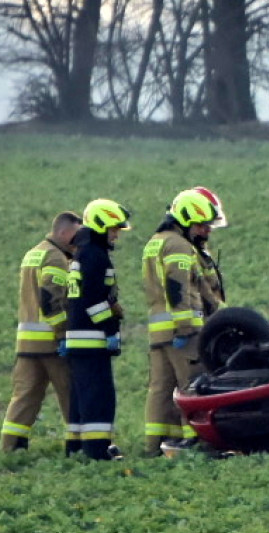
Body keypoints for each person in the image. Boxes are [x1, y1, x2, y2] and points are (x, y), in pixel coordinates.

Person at [141, 190, 225, 457]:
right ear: (186, 219)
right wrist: (187, 327)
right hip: (183, 331)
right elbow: (179, 288)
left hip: (159, 332)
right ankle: (197, 442)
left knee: (161, 390)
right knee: (192, 387)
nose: (206, 231)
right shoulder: (178, 246)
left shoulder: (156, 242)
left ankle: (155, 446)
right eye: (201, 225)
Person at [2, 212, 83, 454]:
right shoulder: (55, 257)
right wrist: (62, 334)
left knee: (24, 397)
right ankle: (77, 446)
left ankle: (10, 448)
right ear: (63, 232)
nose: (78, 242)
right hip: (50, 343)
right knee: (71, 393)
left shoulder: (32, 253)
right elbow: (51, 299)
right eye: (76, 235)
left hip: (27, 343)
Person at [65, 198, 131, 461]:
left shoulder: (83, 252)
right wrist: (111, 328)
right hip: (91, 338)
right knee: (99, 396)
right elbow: (94, 301)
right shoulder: (94, 255)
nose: (116, 235)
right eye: (114, 229)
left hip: (78, 337)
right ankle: (96, 451)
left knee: (80, 396)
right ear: (102, 226)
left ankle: (76, 447)